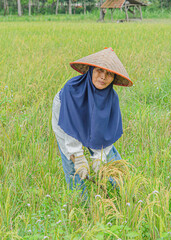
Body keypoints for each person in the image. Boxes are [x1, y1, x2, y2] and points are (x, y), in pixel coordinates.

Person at [51, 47, 133, 196]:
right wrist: (78, 157)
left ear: (114, 78)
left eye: (109, 74)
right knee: (72, 167)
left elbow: (104, 133)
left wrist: (99, 158)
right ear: (90, 70)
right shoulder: (70, 91)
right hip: (65, 123)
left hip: (92, 131)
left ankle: (124, 197)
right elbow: (69, 128)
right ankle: (81, 206)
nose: (103, 77)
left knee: (113, 165)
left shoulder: (111, 99)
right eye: (99, 71)